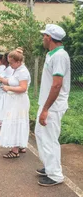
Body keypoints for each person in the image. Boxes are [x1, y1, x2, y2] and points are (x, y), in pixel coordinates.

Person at [35, 24, 70, 186]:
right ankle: (50, 166)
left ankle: (55, 175)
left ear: (49, 37)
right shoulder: (51, 54)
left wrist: (46, 109)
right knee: (41, 136)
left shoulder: (60, 56)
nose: (43, 38)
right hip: (46, 105)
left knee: (49, 139)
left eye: (44, 35)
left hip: (53, 107)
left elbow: (57, 85)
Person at [0, 48, 31, 159]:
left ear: (18, 61)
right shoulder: (17, 70)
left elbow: (23, 88)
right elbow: (12, 81)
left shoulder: (23, 72)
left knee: (15, 123)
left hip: (19, 101)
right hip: (14, 100)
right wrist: (1, 79)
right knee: (15, 122)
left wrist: (7, 88)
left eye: (11, 63)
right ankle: (18, 145)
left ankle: (15, 150)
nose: (10, 65)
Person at [0, 53, 14, 128]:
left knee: (3, 107)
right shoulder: (6, 68)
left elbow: (9, 80)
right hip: (1, 89)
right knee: (0, 106)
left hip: (6, 90)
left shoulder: (10, 69)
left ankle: (1, 121)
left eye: (4, 58)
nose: (2, 59)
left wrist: (0, 79)